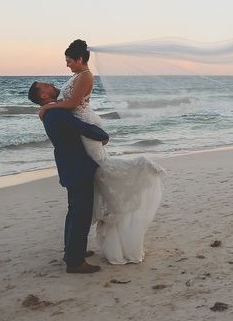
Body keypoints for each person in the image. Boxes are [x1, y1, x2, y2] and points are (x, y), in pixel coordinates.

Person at [38, 39, 165, 264]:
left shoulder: (86, 75)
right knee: (88, 191)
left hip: (85, 126)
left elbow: (73, 103)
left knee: (100, 171)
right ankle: (74, 252)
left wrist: (47, 106)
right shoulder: (77, 76)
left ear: (80, 59)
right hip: (81, 133)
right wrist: (49, 107)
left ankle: (139, 168)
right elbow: (69, 106)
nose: (67, 65)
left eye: (69, 60)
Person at [28, 81, 108, 274]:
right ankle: (75, 262)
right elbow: (81, 126)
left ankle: (72, 251)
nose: (51, 84)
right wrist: (103, 134)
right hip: (77, 166)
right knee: (81, 213)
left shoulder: (52, 111)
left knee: (74, 211)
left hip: (69, 165)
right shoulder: (56, 113)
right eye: (46, 85)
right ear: (44, 96)